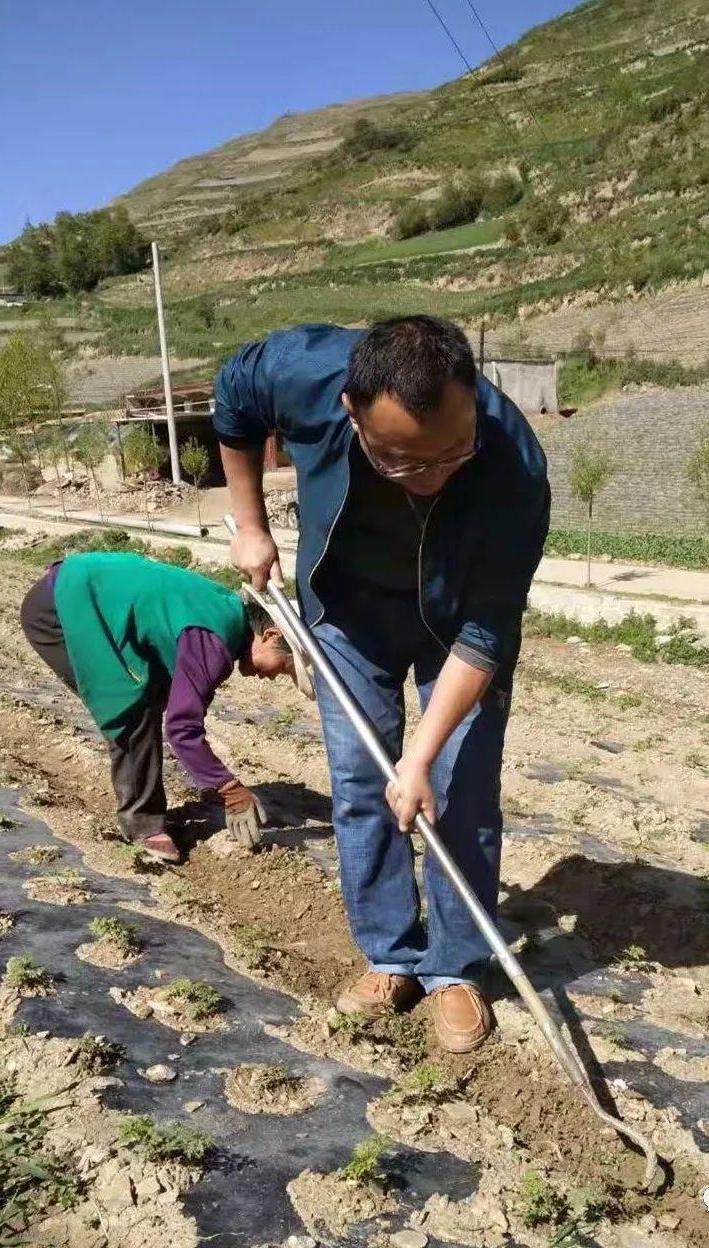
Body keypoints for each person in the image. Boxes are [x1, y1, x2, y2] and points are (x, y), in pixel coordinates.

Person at [214, 316, 549, 1052]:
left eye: (451, 455)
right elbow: (232, 400)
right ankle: (391, 954)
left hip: (456, 623)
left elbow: (488, 632)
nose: (431, 476)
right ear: (350, 413)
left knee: (456, 792)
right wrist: (250, 523)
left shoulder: (513, 462)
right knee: (364, 786)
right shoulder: (303, 371)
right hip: (346, 610)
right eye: (403, 462)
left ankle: (456, 966)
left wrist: (422, 757)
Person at [19, 551, 313, 863]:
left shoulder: (228, 616)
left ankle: (143, 805)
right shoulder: (213, 640)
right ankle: (143, 826)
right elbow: (182, 728)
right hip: (60, 610)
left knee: (152, 694)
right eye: (283, 668)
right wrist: (229, 788)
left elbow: (183, 697)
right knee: (131, 707)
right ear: (270, 635)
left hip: (83, 595)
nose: (271, 677)